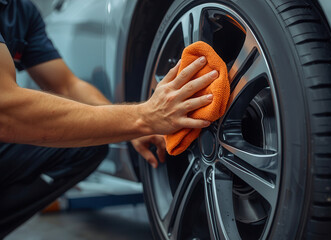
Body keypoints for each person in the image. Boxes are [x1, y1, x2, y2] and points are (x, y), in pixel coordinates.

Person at [0, 0, 217, 237]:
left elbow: (67, 84)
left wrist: (130, 125)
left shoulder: (20, 10)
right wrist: (143, 117)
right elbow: (6, 112)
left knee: (89, 146)